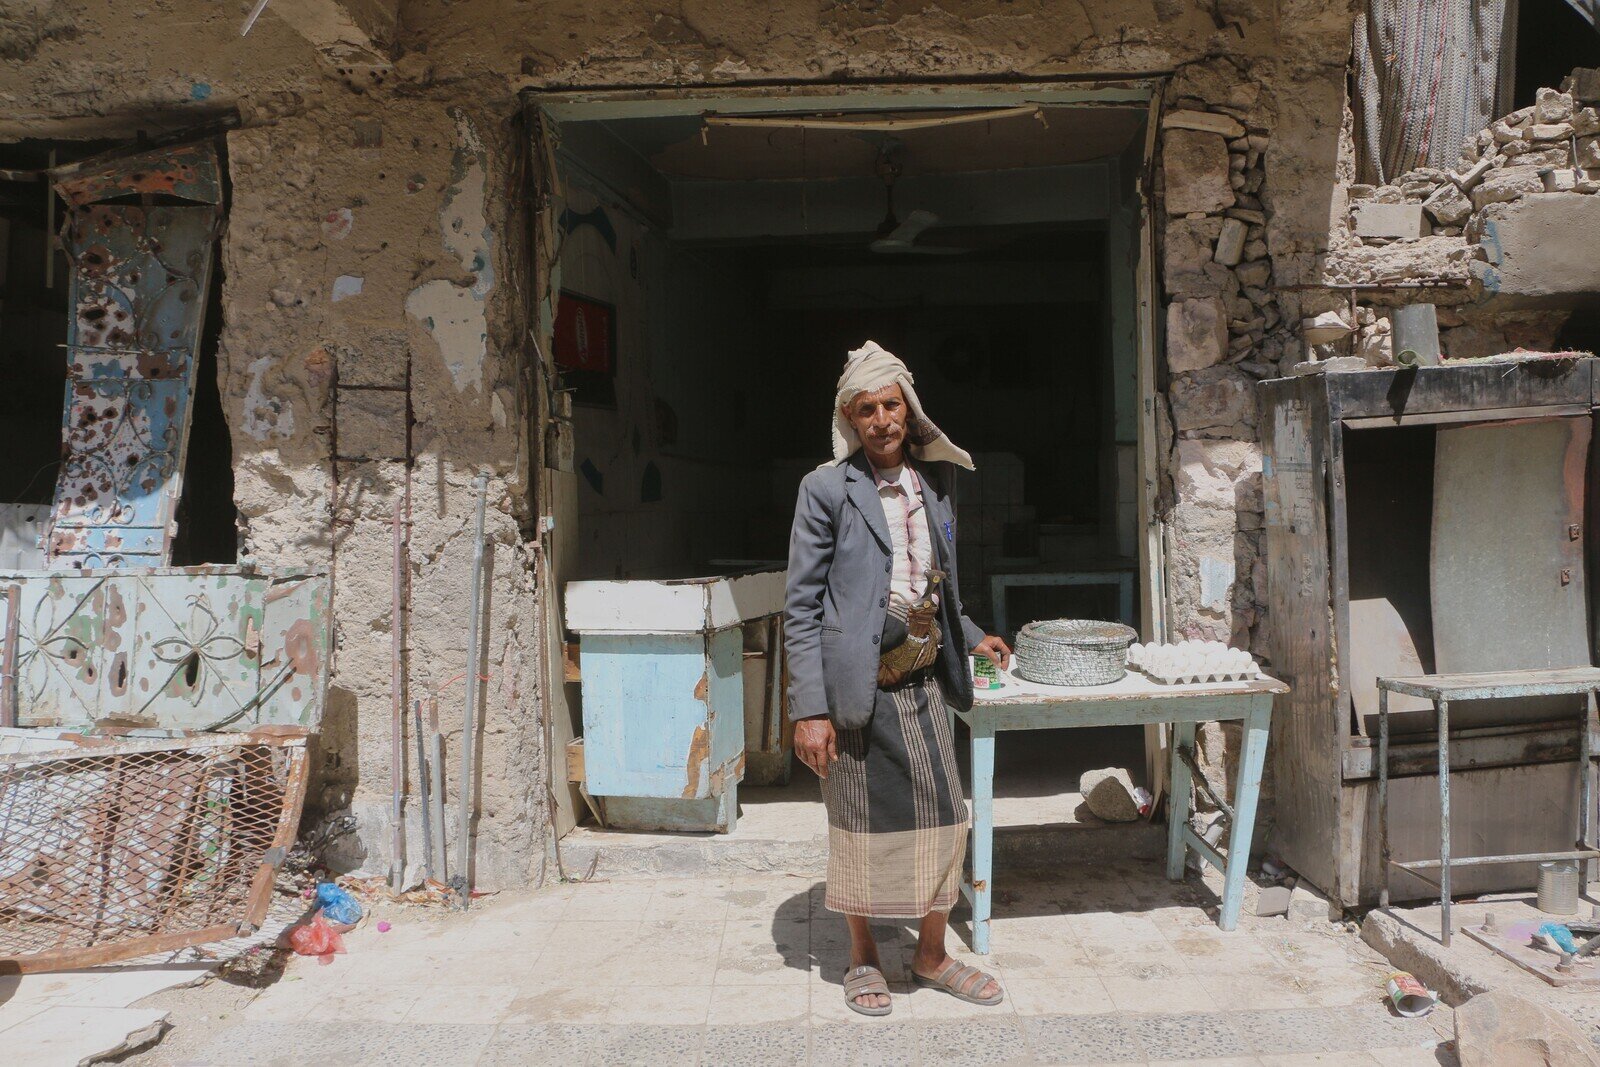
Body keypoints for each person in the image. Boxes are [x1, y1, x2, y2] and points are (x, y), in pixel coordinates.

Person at [784, 340, 1012, 1017]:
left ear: (909, 410)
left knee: (946, 818)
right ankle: (863, 957)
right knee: (860, 824)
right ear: (850, 419)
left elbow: (938, 586)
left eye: (891, 405)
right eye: (867, 409)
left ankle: (932, 953)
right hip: (857, 686)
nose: (882, 419)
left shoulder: (935, 483)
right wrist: (809, 709)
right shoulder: (825, 490)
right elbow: (801, 605)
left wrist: (972, 636)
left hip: (922, 683)